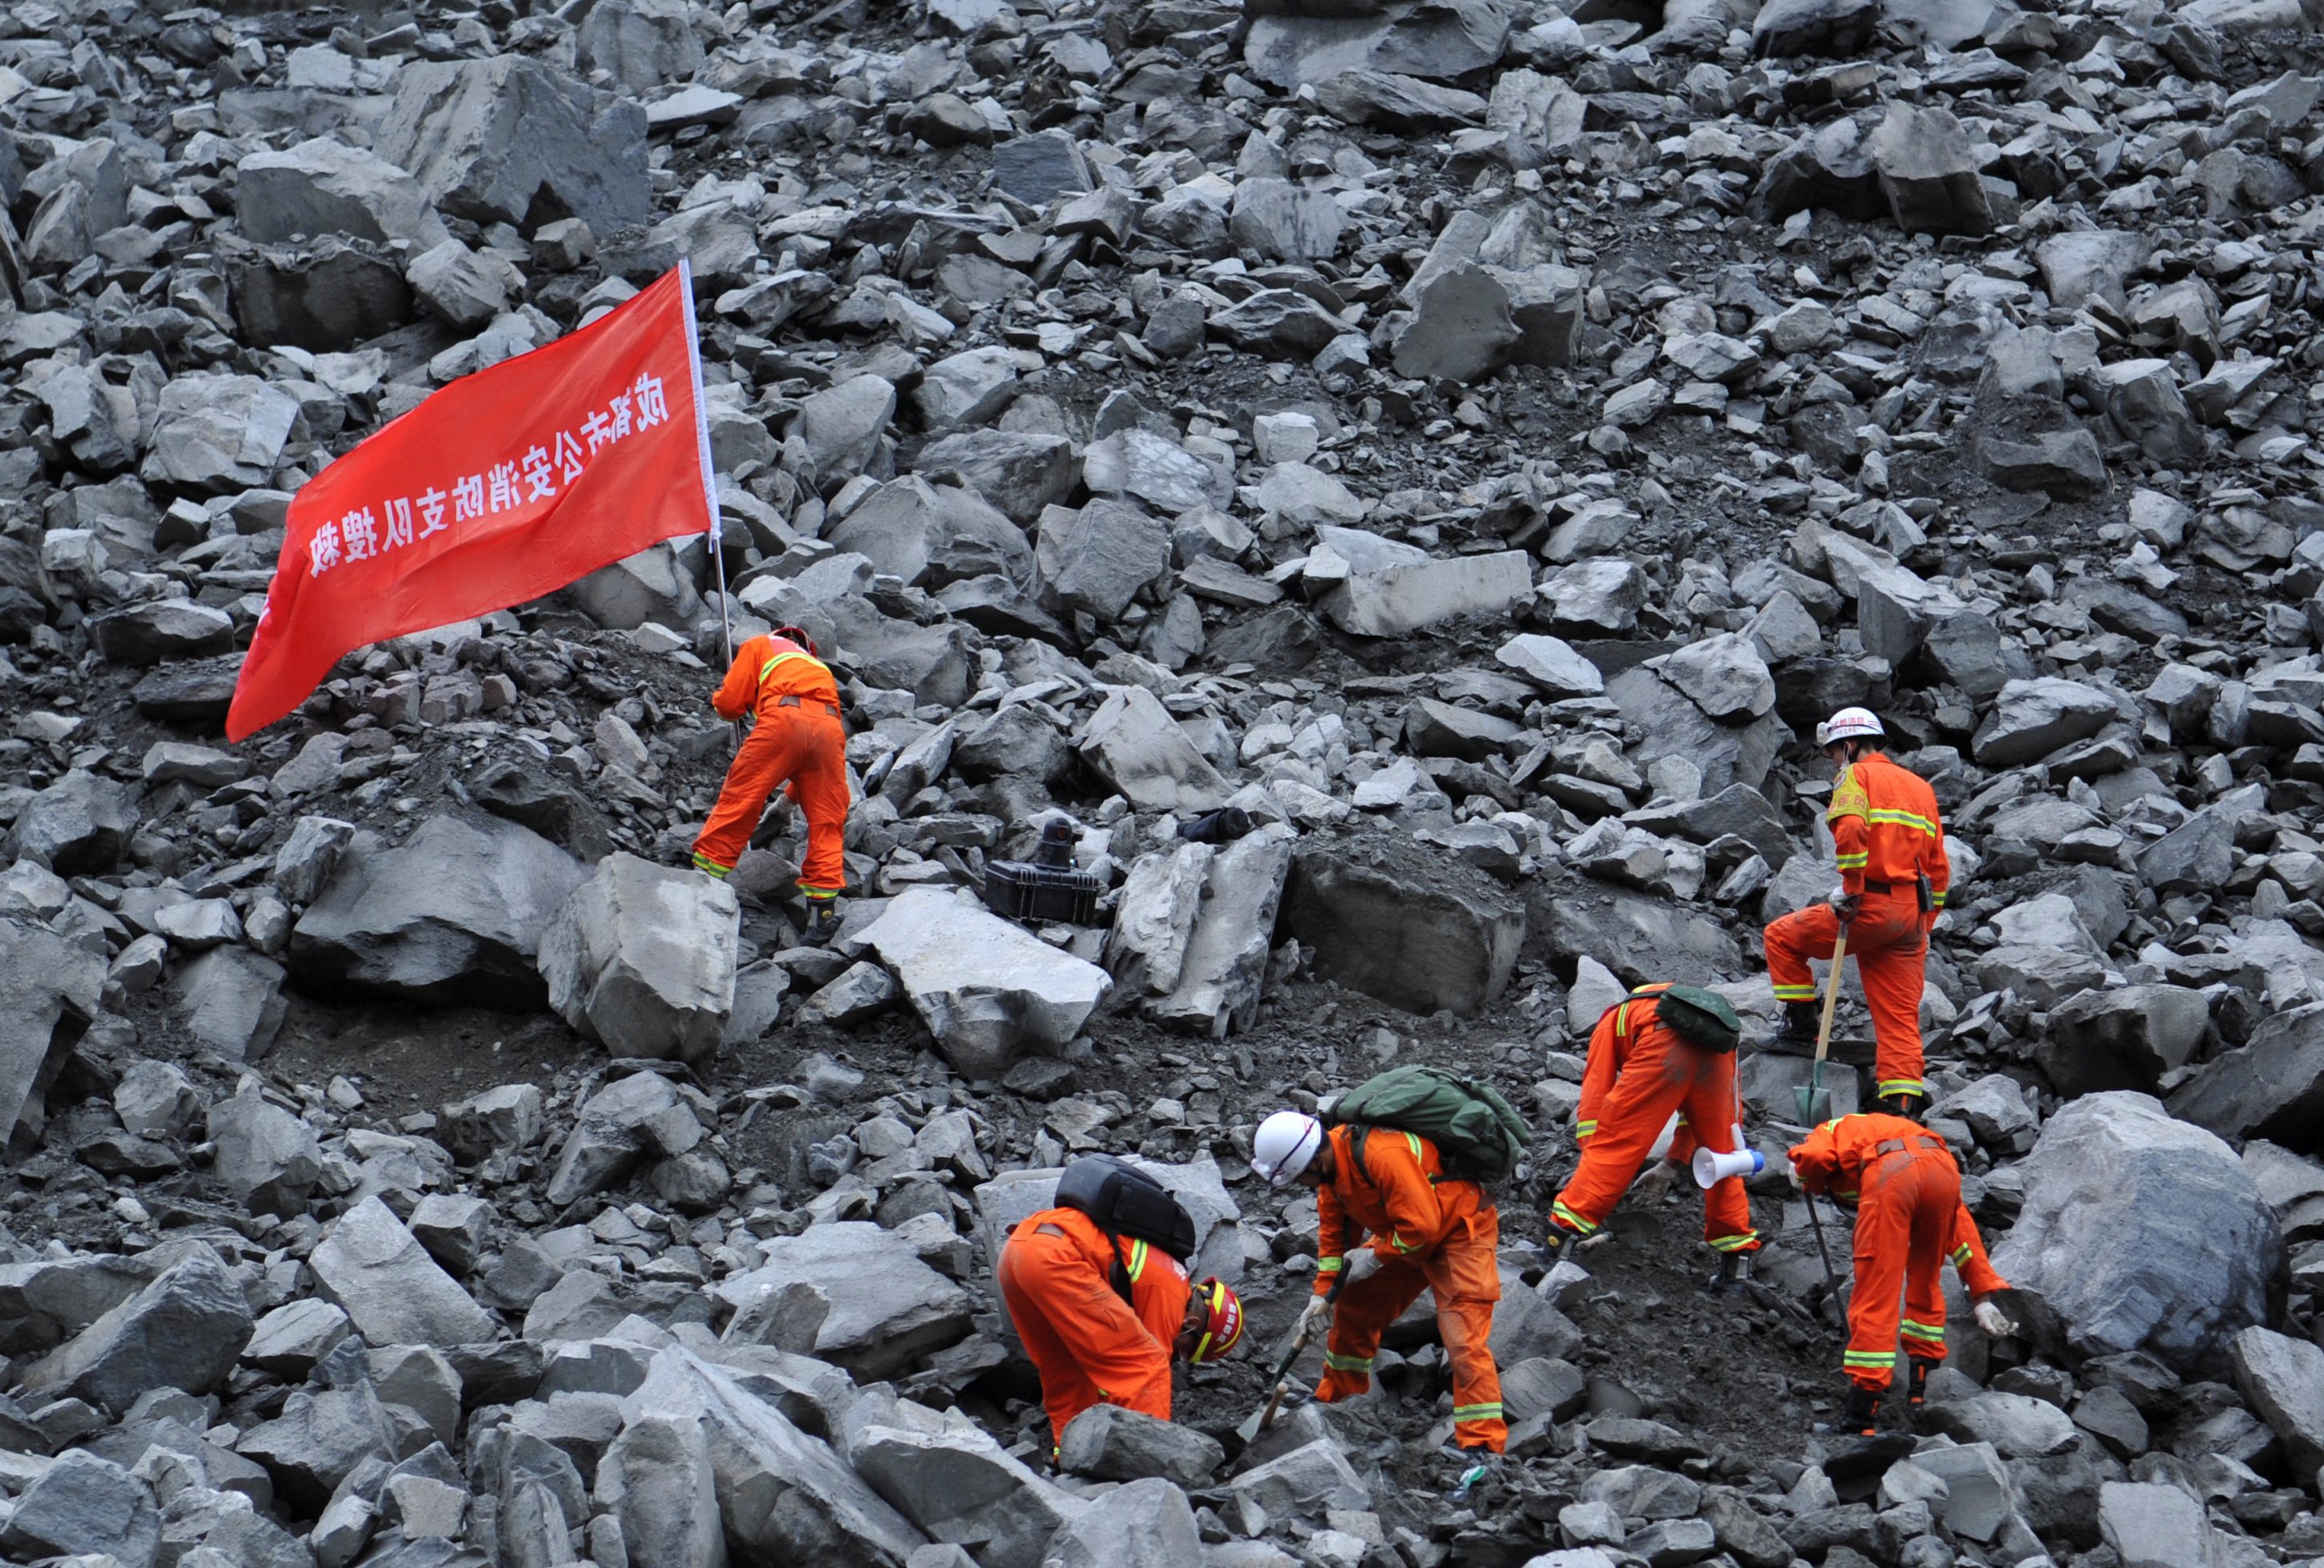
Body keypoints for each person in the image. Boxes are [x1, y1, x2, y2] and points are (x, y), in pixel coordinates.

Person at [1251, 1107, 1506, 1455]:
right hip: (1405, 1236)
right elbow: (1335, 1241)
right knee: (1354, 1306)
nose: (1300, 1186)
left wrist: (1374, 1257)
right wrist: (1323, 1296)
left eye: (1297, 1179)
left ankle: (1482, 1443)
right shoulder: (1332, 1178)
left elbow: (1424, 1227)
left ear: (1310, 1163)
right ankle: (1339, 1399)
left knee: (1463, 1337)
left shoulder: (1381, 1154)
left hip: (1461, 1233)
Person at [1762, 708, 1950, 1114]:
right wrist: (1924, 921)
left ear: (1849, 745)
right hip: (1911, 915)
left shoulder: (1855, 776)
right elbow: (1938, 865)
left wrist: (1851, 889)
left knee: (1780, 937)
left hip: (1870, 904)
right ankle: (1900, 1107)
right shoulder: (1919, 788)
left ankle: (1800, 1030)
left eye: (1833, 752)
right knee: (1898, 1017)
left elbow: (1849, 829)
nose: (1832, 760)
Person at [1787, 1111, 2016, 1435]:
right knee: (1926, 1278)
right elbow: (1962, 1233)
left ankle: (1861, 1417)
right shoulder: (1889, 1129)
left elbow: (1812, 1156)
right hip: (1942, 1166)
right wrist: (1983, 1299)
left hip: (1890, 1171)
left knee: (1876, 1291)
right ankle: (1918, 1396)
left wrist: (1809, 1181)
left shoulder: (1832, 1129)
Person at [1546, 983, 1761, 1292]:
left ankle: (1558, 1241)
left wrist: (1593, 1163)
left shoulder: (1611, 1022)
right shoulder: (1696, 1018)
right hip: (1721, 1050)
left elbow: (1596, 1097)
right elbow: (1695, 1116)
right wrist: (1670, 1164)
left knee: (1616, 1142)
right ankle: (1736, 1267)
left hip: (1663, 1045)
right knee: (1724, 1158)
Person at [997, 1199, 1243, 1453]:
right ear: (1191, 1325)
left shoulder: (1164, 1271)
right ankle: (1147, 1469)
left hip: (1019, 1250)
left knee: (1066, 1367)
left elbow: (1105, 1370)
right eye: (1185, 1351)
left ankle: (1069, 1455)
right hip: (1054, 1259)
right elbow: (1140, 1373)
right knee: (1145, 1365)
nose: (1177, 1356)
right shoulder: (1170, 1294)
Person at [690, 625, 851, 943]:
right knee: (828, 820)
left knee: (743, 798)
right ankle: (822, 917)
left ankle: (705, 886)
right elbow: (810, 762)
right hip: (831, 727)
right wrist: (786, 804)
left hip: (783, 719)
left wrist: (725, 703)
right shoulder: (818, 668)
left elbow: (730, 705)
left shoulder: (761, 644)